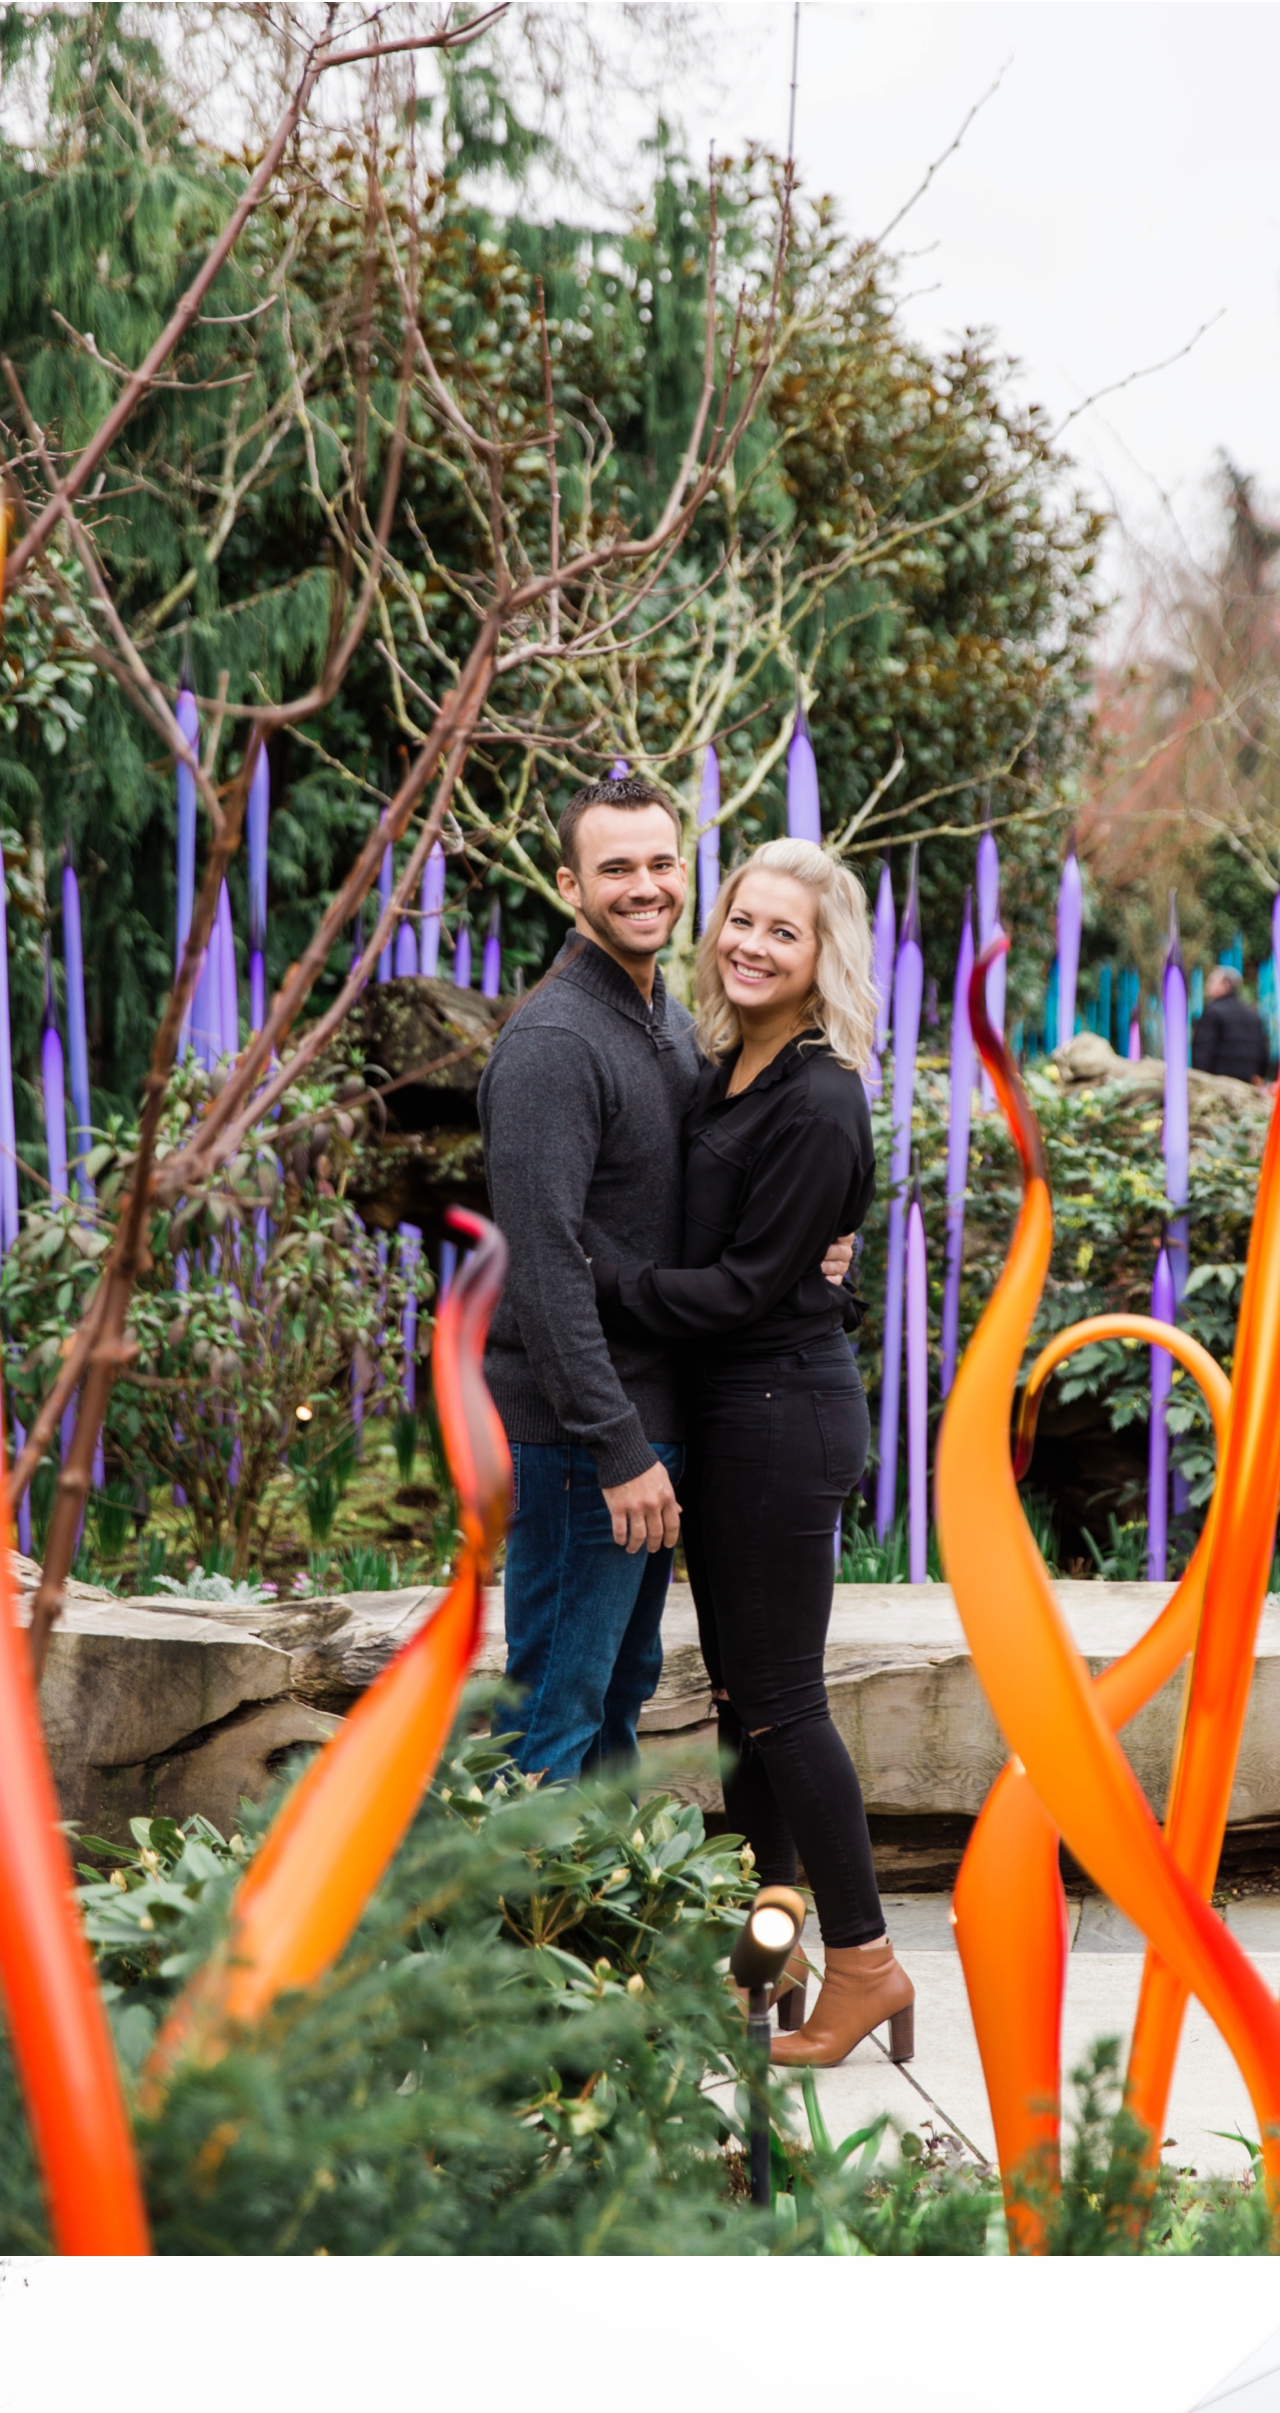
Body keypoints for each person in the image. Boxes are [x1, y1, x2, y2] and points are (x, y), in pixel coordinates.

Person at [585, 836, 908, 2074]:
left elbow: (741, 1289)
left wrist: (603, 1276)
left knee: (779, 1700)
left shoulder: (820, 1092)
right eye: (741, 921)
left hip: (780, 1414)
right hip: (735, 1410)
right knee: (739, 1704)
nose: (750, 944)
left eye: (783, 931)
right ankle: (766, 1959)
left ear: (822, 957)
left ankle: (868, 1963)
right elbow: (772, 1256)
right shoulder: (725, 1063)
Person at [472, 774, 700, 1782]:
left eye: (658, 862)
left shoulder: (669, 1022)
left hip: (647, 1419)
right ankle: (507, 1935)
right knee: (549, 1715)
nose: (642, 885)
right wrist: (612, 1448)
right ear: (569, 884)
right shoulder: (551, 1045)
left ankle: (591, 1933)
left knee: (616, 1692)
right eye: (615, 868)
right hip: (579, 1440)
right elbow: (541, 1265)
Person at [1188, 964, 1273, 1083]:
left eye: (1212, 982)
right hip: (1247, 1085)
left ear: (1225, 986)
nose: (1207, 986)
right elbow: (1263, 1054)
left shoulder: (1212, 1013)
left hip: (1218, 1085)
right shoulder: (1254, 1015)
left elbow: (1202, 1054)